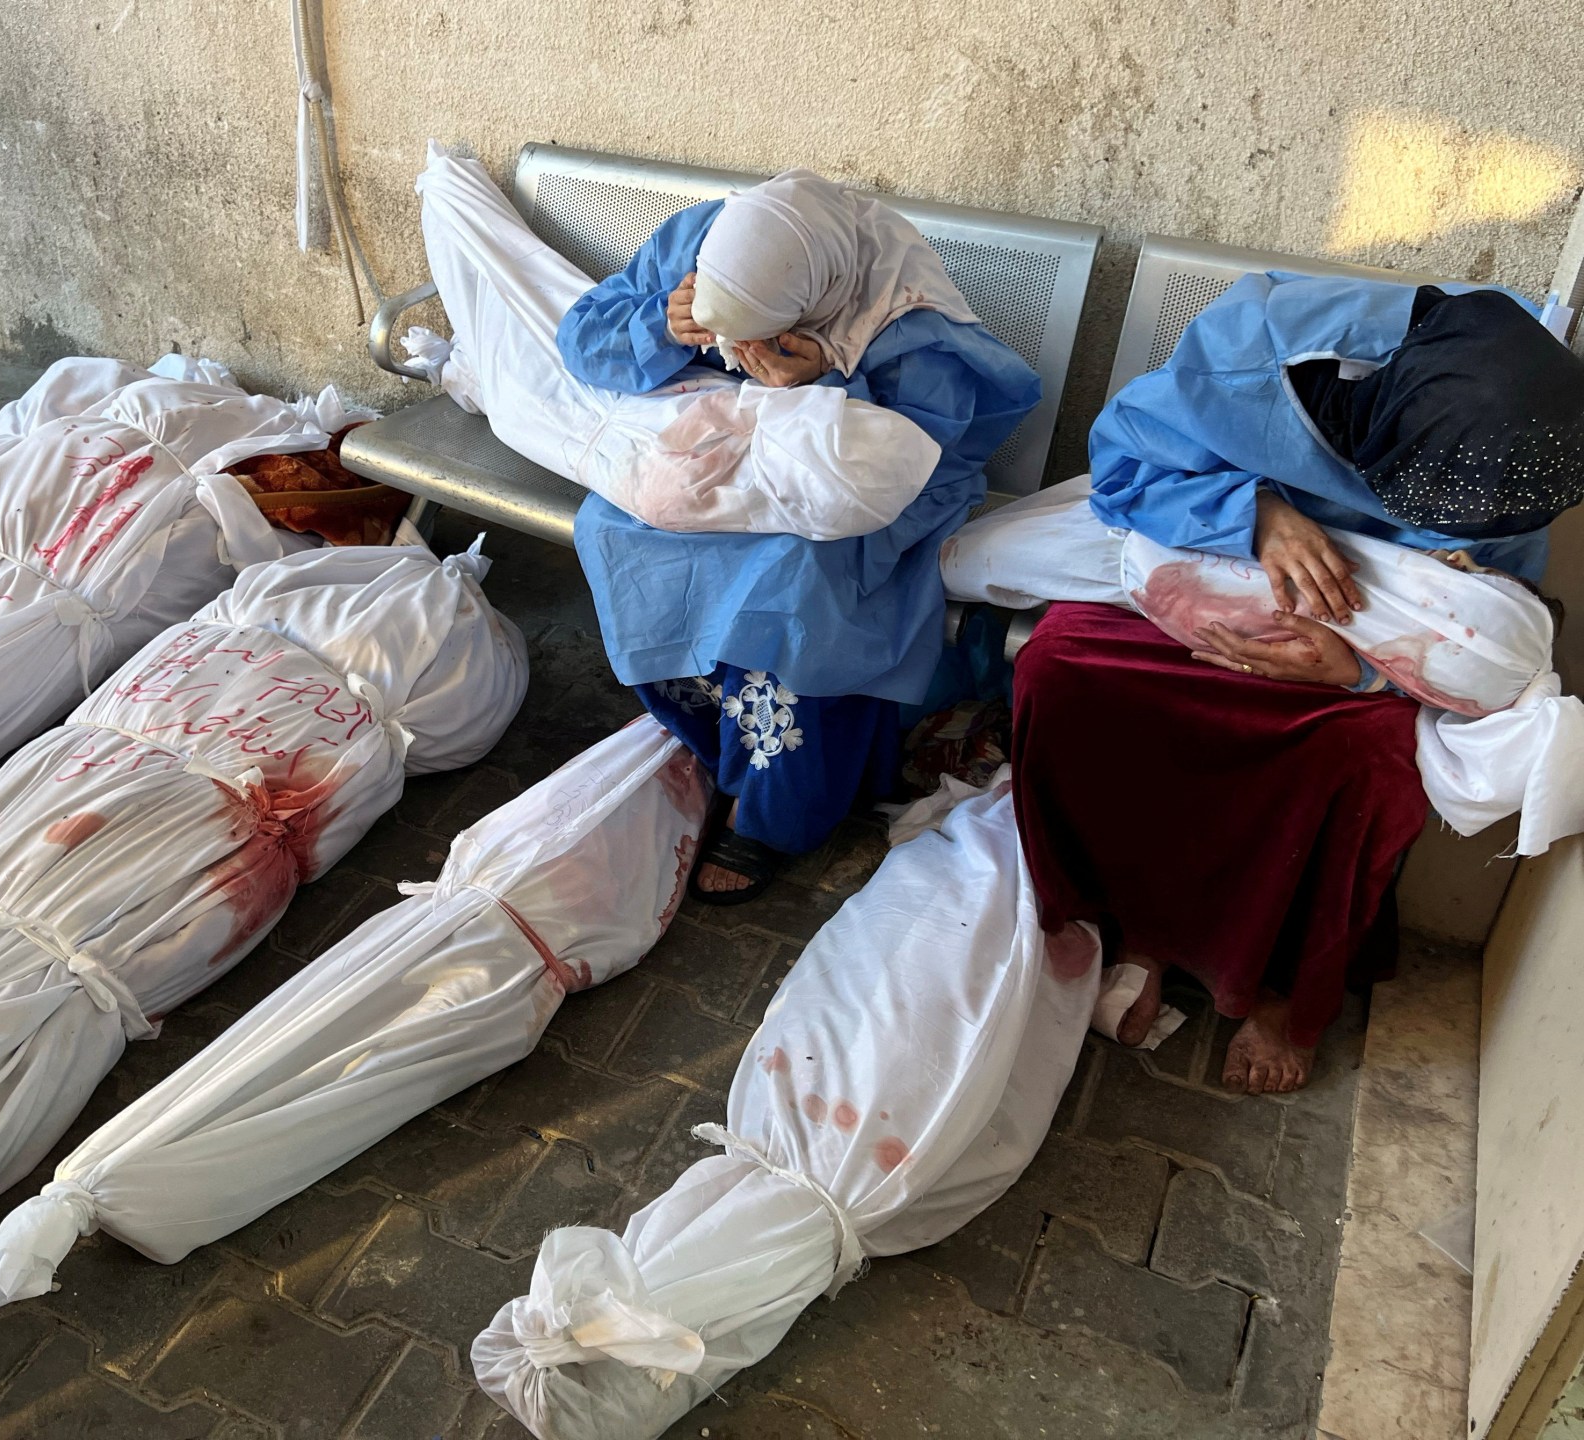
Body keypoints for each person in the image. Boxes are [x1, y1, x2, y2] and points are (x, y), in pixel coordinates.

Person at [1011, 275, 1584, 1092]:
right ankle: (1138, 927)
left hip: (1354, 657)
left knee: (1372, 763)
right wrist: (1256, 515)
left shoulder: (1525, 443)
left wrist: (1360, 674)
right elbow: (1126, 470)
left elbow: (1488, 617)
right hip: (1201, 559)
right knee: (1061, 669)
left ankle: (1281, 987)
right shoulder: (1254, 357)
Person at [559, 171, 1041, 902]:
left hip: (870, 486)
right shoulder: (704, 244)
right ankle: (720, 747)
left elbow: (922, 455)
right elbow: (582, 338)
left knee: (800, 571)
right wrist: (661, 321)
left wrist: (822, 385)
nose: (735, 348)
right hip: (725, 452)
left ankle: (772, 812)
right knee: (613, 524)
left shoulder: (902, 316)